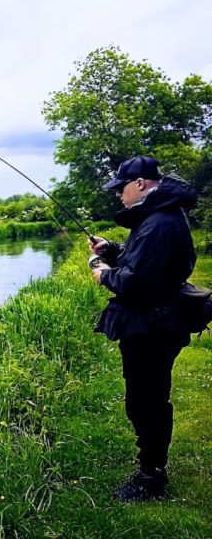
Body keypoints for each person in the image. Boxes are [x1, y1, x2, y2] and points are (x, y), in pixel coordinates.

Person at [88, 155, 198, 503]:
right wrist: (113, 250)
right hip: (153, 323)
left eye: (121, 188)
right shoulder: (158, 217)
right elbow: (147, 263)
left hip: (153, 326)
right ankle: (151, 468)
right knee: (145, 398)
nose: (119, 195)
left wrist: (103, 273)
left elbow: (134, 283)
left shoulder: (159, 222)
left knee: (146, 401)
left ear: (140, 184)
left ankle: (151, 477)